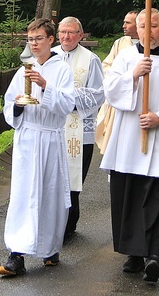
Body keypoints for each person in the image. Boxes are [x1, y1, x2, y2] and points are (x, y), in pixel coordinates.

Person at [100, 9, 159, 283]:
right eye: (142, 26)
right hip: (130, 141)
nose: (148, 31)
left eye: (153, 26)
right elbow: (110, 90)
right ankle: (134, 254)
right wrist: (133, 75)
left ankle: (154, 255)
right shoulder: (127, 56)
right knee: (129, 197)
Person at [0, 18, 76, 277]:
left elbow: (66, 105)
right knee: (22, 195)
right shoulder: (22, 70)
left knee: (49, 194)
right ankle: (16, 254)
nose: (33, 44)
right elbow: (9, 105)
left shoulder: (61, 69)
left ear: (50, 40)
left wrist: (44, 85)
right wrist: (18, 106)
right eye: (30, 39)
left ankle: (49, 248)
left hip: (49, 138)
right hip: (28, 139)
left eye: (38, 39)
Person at [52, 17, 105, 237]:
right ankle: (53, 223)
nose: (66, 36)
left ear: (80, 35)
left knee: (73, 179)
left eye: (71, 32)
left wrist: (68, 101)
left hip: (79, 128)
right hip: (53, 128)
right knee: (53, 178)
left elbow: (98, 92)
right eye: (62, 32)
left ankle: (68, 225)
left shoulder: (90, 60)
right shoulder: (50, 56)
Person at [95, 11, 139, 153]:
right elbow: (106, 65)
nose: (123, 26)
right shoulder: (120, 42)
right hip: (120, 96)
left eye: (128, 23)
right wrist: (121, 79)